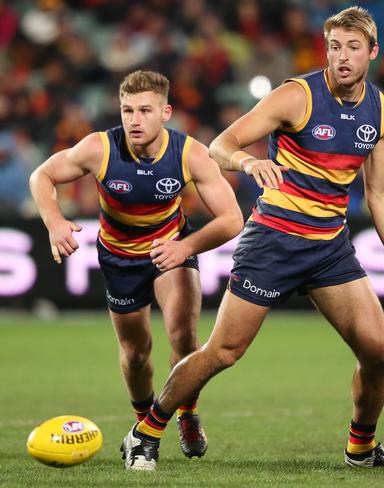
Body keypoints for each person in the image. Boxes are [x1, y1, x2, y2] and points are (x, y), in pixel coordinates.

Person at [119, 6, 384, 472]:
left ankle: (361, 451)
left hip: (329, 247)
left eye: (352, 47)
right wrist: (249, 163)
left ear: (373, 51)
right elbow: (221, 145)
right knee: (224, 351)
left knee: (379, 354)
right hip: (273, 241)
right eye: (334, 47)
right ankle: (144, 433)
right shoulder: (296, 96)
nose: (341, 57)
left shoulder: (382, 112)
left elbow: (381, 192)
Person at [29, 70, 244, 462]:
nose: (134, 119)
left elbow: (233, 219)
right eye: (127, 110)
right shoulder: (99, 148)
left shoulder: (189, 154)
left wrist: (186, 247)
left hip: (170, 250)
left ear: (166, 112)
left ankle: (186, 415)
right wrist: (54, 221)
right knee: (135, 352)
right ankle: (143, 424)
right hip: (119, 257)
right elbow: (42, 174)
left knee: (184, 338)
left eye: (145, 110)